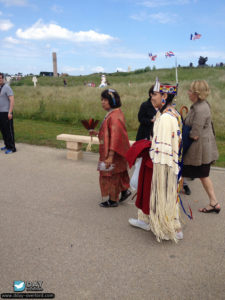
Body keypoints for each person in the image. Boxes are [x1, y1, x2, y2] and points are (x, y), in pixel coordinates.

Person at [129, 79, 183, 242]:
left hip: (164, 165)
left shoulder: (167, 118)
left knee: (164, 193)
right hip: (163, 161)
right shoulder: (170, 113)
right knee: (155, 192)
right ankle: (148, 219)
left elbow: (165, 149)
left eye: (156, 94)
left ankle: (170, 227)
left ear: (165, 95)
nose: (152, 98)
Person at [182, 80, 220, 213]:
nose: (188, 93)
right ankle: (214, 202)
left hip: (199, 151)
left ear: (197, 93)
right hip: (200, 150)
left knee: (200, 174)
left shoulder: (201, 108)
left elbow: (195, 134)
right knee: (202, 175)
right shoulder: (199, 105)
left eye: (190, 91)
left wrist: (184, 133)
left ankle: (214, 202)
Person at [90, 89, 131, 207]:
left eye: (105, 100)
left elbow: (116, 137)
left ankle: (113, 200)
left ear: (112, 101)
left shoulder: (115, 116)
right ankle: (124, 191)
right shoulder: (113, 113)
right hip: (113, 151)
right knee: (118, 173)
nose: (102, 102)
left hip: (112, 152)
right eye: (101, 100)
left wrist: (110, 157)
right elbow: (108, 133)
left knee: (111, 175)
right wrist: (97, 132)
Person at [0, 72, 16, 154]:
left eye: (0, 78)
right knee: (3, 130)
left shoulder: (7, 87)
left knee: (9, 130)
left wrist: (10, 112)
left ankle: (12, 148)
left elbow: (12, 100)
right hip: (0, 113)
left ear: (3, 79)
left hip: (7, 112)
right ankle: (7, 145)